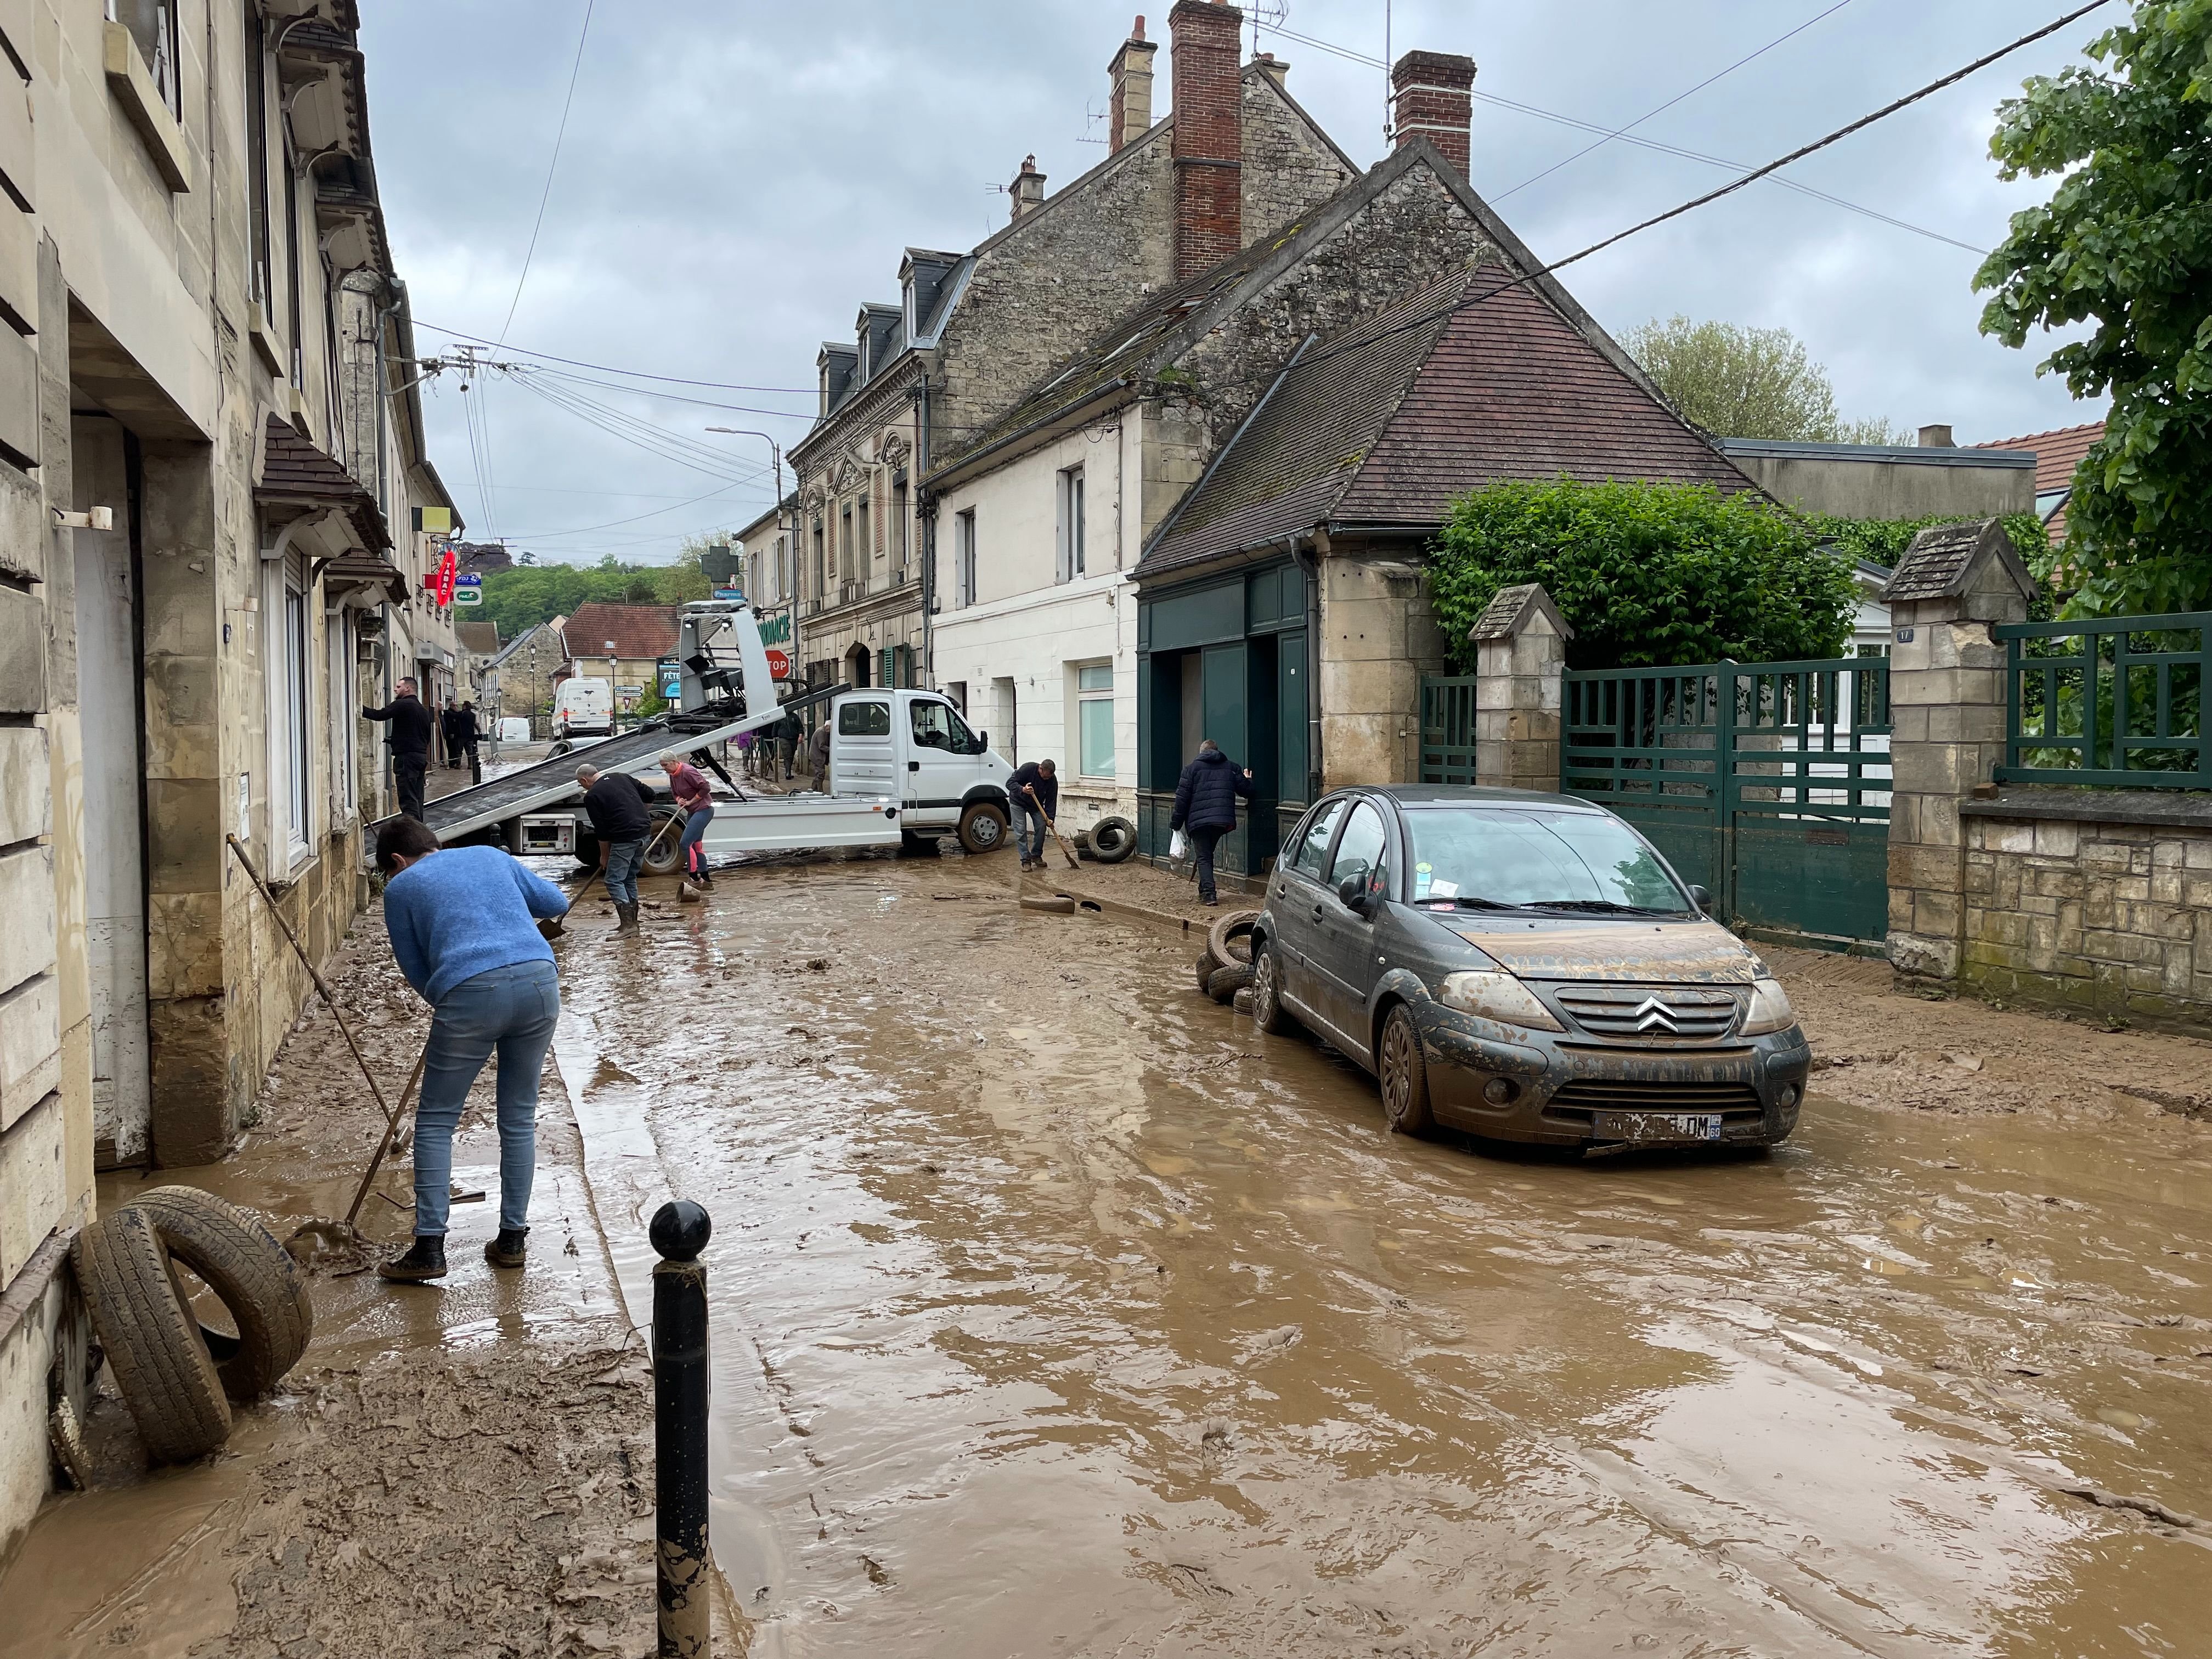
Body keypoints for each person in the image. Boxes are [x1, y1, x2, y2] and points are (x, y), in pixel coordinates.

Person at [372, 816, 568, 1283]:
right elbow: (557, 901)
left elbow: (414, 967)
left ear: (398, 861)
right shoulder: (489, 855)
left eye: (389, 871)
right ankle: (512, 1240)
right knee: (518, 1117)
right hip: (541, 982)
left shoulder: (401, 888)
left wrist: (452, 1005)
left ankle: (429, 1249)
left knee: (438, 1120)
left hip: (467, 993)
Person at [1170, 738, 1255, 907]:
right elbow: (1247, 791)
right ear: (1216, 751)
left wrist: (1176, 824)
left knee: (1204, 857)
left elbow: (1182, 800)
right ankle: (1204, 890)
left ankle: (1209, 895)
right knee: (1207, 855)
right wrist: (1248, 779)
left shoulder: (1190, 769)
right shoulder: (1232, 768)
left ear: (1202, 752)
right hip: (1221, 821)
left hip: (1199, 822)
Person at [577, 762, 652, 930]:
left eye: (580, 784)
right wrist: (640, 814)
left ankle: (628, 925)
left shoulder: (592, 795)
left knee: (613, 880)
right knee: (629, 877)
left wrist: (604, 856)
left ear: (584, 780)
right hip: (645, 832)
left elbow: (602, 832)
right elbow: (650, 794)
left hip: (625, 837)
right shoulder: (622, 777)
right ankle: (633, 922)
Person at [363, 676, 435, 821]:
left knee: (408, 800)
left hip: (407, 759)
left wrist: (356, 704)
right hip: (420, 758)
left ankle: (412, 834)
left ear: (407, 688)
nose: (395, 689)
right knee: (417, 798)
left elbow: (379, 715)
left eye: (398, 687)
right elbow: (423, 736)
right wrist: (395, 740)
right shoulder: (423, 710)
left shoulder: (403, 704)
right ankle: (420, 829)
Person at [660, 749, 715, 899]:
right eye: (662, 766)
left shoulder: (689, 771)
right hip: (693, 811)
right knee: (697, 846)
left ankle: (695, 879)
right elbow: (675, 792)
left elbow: (706, 788)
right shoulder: (673, 775)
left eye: (665, 765)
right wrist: (679, 799)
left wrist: (692, 801)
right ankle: (706, 880)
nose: (663, 768)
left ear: (674, 762)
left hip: (704, 810)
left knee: (685, 843)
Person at [1008, 758, 1057, 871]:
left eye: (1049, 777)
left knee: (1041, 826)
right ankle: (1026, 861)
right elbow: (1010, 783)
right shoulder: (1027, 769)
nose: (1047, 779)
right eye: (1045, 777)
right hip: (1018, 802)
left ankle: (1036, 855)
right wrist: (1023, 789)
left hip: (1035, 804)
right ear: (1040, 769)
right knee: (1020, 830)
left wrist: (1050, 818)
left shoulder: (1052, 780)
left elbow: (1051, 800)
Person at [454, 700, 482, 785]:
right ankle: (470, 765)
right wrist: (479, 731)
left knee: (459, 751)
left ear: (465, 706)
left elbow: (455, 718)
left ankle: (458, 764)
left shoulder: (461, 714)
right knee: (469, 751)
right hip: (470, 735)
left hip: (461, 735)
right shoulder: (472, 715)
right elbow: (475, 724)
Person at [777, 703, 804, 782]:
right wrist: (775, 736)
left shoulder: (795, 717)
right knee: (787, 755)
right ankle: (788, 773)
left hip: (794, 739)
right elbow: (776, 727)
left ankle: (788, 771)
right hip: (784, 739)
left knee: (791, 755)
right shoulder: (780, 718)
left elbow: (800, 727)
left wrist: (800, 736)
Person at [808, 719, 832, 791]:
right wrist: (831, 750)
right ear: (827, 726)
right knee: (821, 774)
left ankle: (814, 789)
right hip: (817, 756)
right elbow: (821, 746)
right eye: (830, 728)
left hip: (816, 755)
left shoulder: (822, 731)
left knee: (819, 774)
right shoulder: (821, 732)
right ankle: (819, 790)